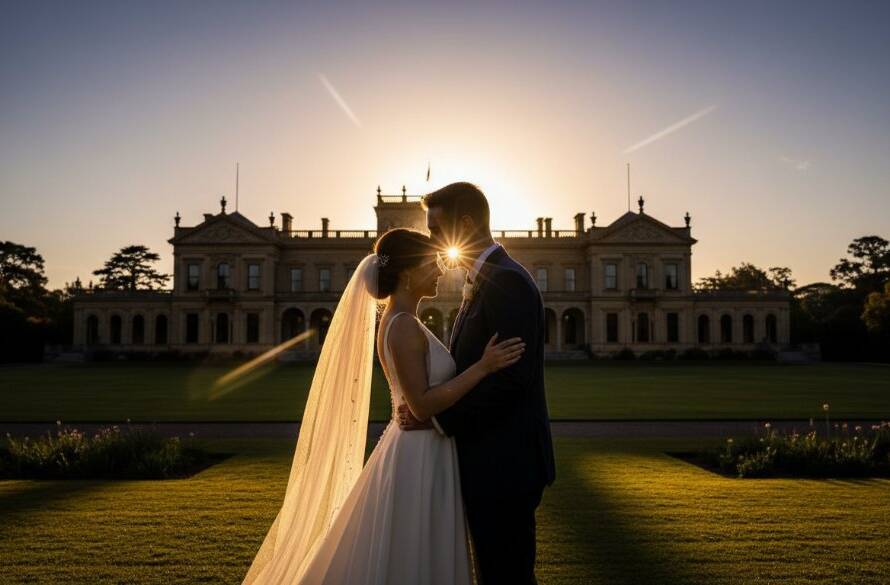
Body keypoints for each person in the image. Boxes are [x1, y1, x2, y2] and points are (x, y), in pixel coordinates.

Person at [242, 227, 524, 584]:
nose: (441, 270)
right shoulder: (403, 326)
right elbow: (421, 405)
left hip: (422, 445)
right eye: (432, 262)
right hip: (419, 452)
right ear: (407, 273)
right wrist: (483, 367)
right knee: (412, 548)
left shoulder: (403, 321)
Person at [398, 182, 556, 584]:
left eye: (436, 230)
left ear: (466, 225)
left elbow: (510, 380)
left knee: (506, 576)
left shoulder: (507, 282)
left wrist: (436, 419)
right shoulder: (486, 279)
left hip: (505, 465)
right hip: (490, 461)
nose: (432, 241)